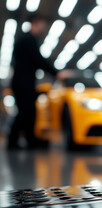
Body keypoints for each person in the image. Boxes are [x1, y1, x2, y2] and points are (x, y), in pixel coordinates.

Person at [7, 14, 70, 150]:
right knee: (26, 111)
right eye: (42, 24)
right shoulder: (28, 39)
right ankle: (16, 142)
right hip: (23, 82)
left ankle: (26, 140)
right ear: (36, 23)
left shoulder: (24, 39)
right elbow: (38, 59)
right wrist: (56, 72)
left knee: (27, 111)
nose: (43, 28)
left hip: (21, 81)